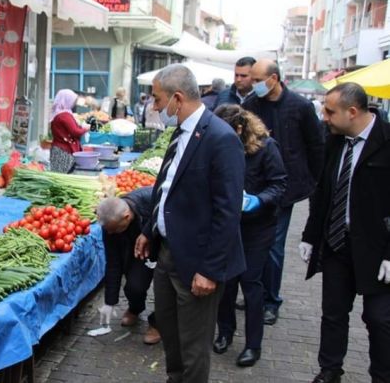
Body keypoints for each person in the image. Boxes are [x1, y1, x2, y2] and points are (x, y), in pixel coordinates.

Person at [134, 64, 246, 382]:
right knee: (171, 333)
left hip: (198, 260)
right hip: (168, 253)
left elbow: (228, 212)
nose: (155, 107)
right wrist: (148, 230)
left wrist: (210, 270)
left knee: (194, 345)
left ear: (178, 98)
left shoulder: (220, 139)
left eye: (158, 100)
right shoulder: (180, 132)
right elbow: (166, 189)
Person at [300, 83, 390, 383]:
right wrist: (311, 235)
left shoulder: (386, 141)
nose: (324, 117)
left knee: (379, 319)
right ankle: (329, 370)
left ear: (352, 112)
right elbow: (322, 192)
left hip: (378, 250)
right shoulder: (335, 140)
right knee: (333, 312)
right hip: (338, 242)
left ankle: (381, 375)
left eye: (330, 111)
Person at [242, 58, 324, 325]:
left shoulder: (300, 106)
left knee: (273, 246)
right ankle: (254, 291)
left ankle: (270, 301)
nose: (252, 85)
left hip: (285, 188)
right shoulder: (250, 105)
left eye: (256, 80)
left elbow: (315, 145)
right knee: (250, 242)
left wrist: (314, 182)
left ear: (274, 79)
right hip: (253, 187)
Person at [212, 104, 287, 367]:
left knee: (251, 282)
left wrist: (258, 200)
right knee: (226, 281)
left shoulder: (267, 148)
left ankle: (253, 345)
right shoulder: (220, 146)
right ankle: (225, 331)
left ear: (240, 128)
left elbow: (279, 185)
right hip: (229, 225)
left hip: (258, 226)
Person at [96, 187, 162, 345]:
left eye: (115, 230)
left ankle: (158, 323)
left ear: (126, 217)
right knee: (134, 286)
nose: (112, 234)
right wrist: (109, 302)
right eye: (109, 231)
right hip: (138, 252)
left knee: (166, 289)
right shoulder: (110, 225)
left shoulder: (151, 200)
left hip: (164, 246)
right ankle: (135, 308)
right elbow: (113, 263)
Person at [50, 89, 89, 173]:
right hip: (64, 152)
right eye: (72, 101)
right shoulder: (64, 115)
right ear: (66, 100)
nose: (73, 104)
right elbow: (75, 132)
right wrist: (85, 129)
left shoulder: (58, 113)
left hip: (59, 149)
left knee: (58, 176)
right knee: (62, 177)